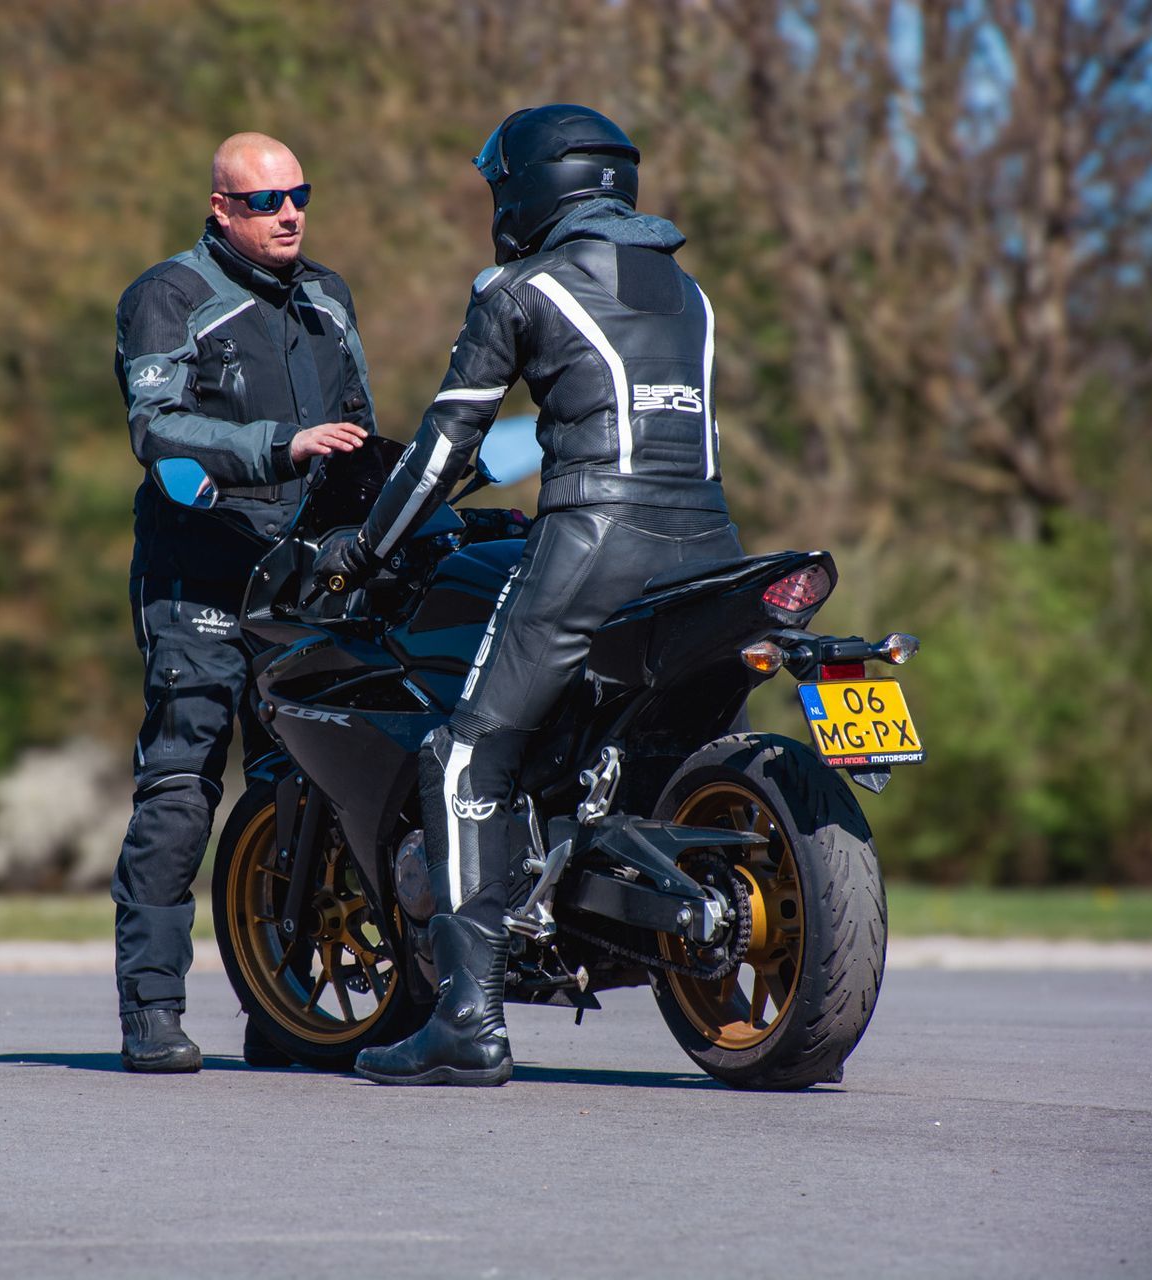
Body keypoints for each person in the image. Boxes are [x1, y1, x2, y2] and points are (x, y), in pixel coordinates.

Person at [313, 104, 745, 1086]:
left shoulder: (522, 289)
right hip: (713, 546)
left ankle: (467, 1019)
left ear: (531, 190)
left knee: (465, 754)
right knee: (658, 744)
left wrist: (366, 546)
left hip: (595, 540)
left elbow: (448, 444)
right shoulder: (691, 294)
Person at [112, 133, 374, 1072]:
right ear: (220, 208)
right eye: (266, 201)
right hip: (199, 574)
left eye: (299, 193)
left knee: (300, 790)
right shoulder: (169, 296)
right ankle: (151, 1011)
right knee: (183, 784)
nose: (289, 213)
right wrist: (281, 446)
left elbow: (356, 435)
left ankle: (286, 1012)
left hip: (300, 581)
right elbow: (158, 428)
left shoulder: (329, 297)